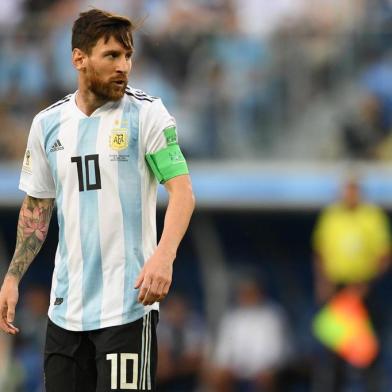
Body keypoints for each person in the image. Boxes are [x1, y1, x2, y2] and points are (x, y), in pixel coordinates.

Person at [0, 8, 195, 392]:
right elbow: (38, 208)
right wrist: (12, 277)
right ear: (79, 59)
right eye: (112, 56)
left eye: (128, 56)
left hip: (126, 308)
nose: (124, 66)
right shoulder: (47, 125)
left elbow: (183, 193)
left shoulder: (147, 115)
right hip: (65, 312)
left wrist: (164, 256)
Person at [312, 177, 391, 391]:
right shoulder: (331, 216)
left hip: (364, 289)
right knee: (334, 347)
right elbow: (320, 252)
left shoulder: (371, 216)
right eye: (346, 190)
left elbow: (385, 254)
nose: (350, 195)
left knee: (367, 348)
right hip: (337, 289)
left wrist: (366, 284)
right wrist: (323, 283)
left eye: (354, 190)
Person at [209, 277, 293, 392]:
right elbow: (223, 351)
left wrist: (258, 369)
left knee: (266, 378)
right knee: (218, 376)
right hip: (236, 371)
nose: (247, 297)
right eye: (244, 293)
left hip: (265, 370)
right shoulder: (231, 317)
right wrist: (224, 367)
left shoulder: (273, 315)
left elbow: (276, 353)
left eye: (250, 293)